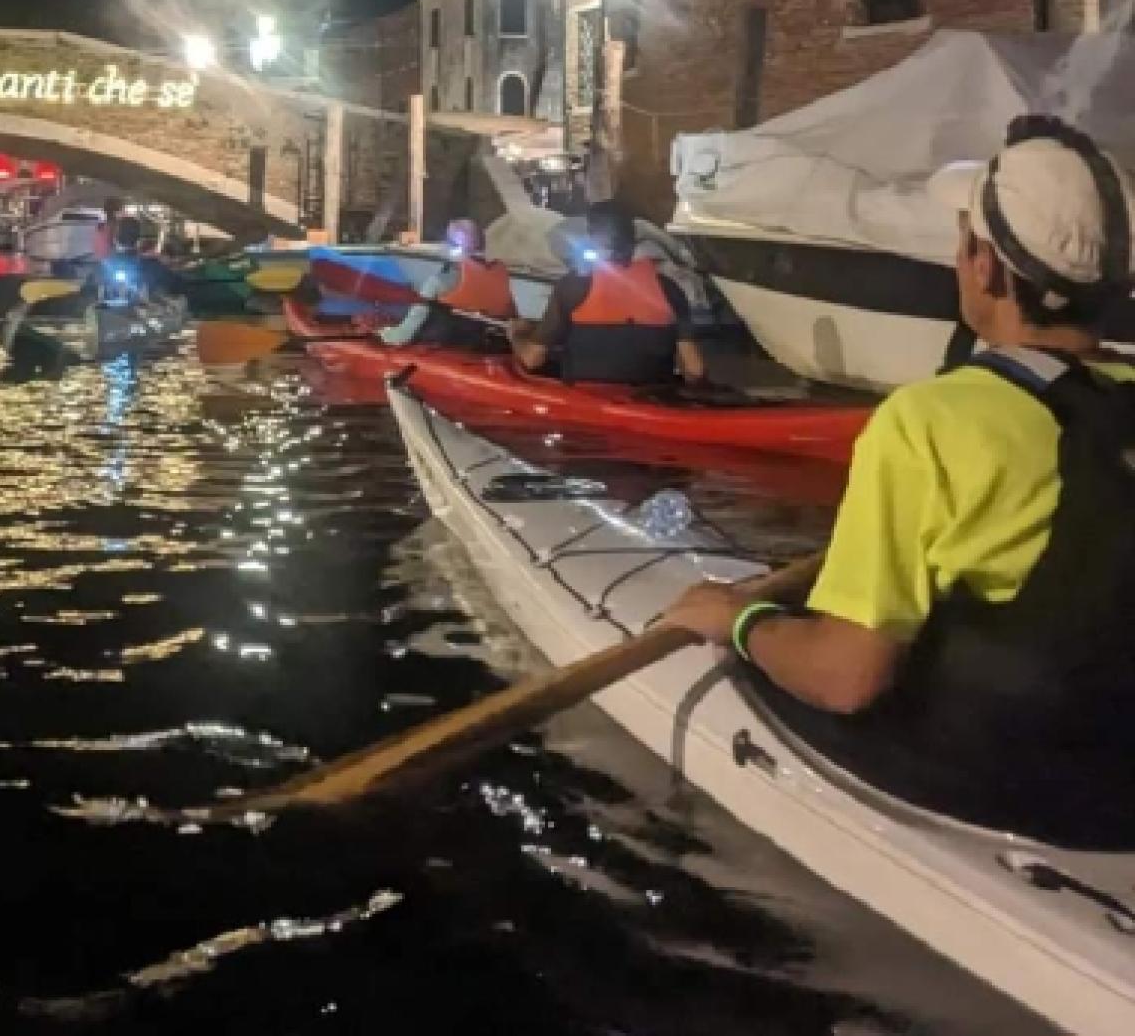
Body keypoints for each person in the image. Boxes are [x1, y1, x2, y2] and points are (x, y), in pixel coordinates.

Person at [663, 115, 1135, 844]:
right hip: (1117, 759)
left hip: (1012, 781)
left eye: (963, 241)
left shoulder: (929, 422)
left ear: (985, 266)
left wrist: (738, 619)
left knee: (767, 657)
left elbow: (845, 680)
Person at [507, 201, 706, 385]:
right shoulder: (670, 289)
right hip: (651, 403)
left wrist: (517, 335)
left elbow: (532, 359)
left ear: (593, 238)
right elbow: (694, 370)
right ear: (633, 239)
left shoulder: (572, 287)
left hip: (588, 406)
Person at [380, 218, 516, 347]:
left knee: (430, 289)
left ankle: (399, 335)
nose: (446, 244)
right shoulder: (496, 272)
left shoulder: (441, 282)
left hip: (446, 335)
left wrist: (397, 335)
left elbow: (420, 309)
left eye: (450, 242)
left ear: (461, 244)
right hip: (477, 334)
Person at [92, 216, 176, 305]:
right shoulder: (154, 267)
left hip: (107, 317)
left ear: (114, 239)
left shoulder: (100, 267)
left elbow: (85, 299)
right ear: (138, 240)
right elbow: (175, 287)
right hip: (142, 317)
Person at [94, 196, 124, 261]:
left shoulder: (101, 225)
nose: (123, 211)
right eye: (121, 208)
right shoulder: (115, 224)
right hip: (111, 259)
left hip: (103, 259)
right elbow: (113, 242)